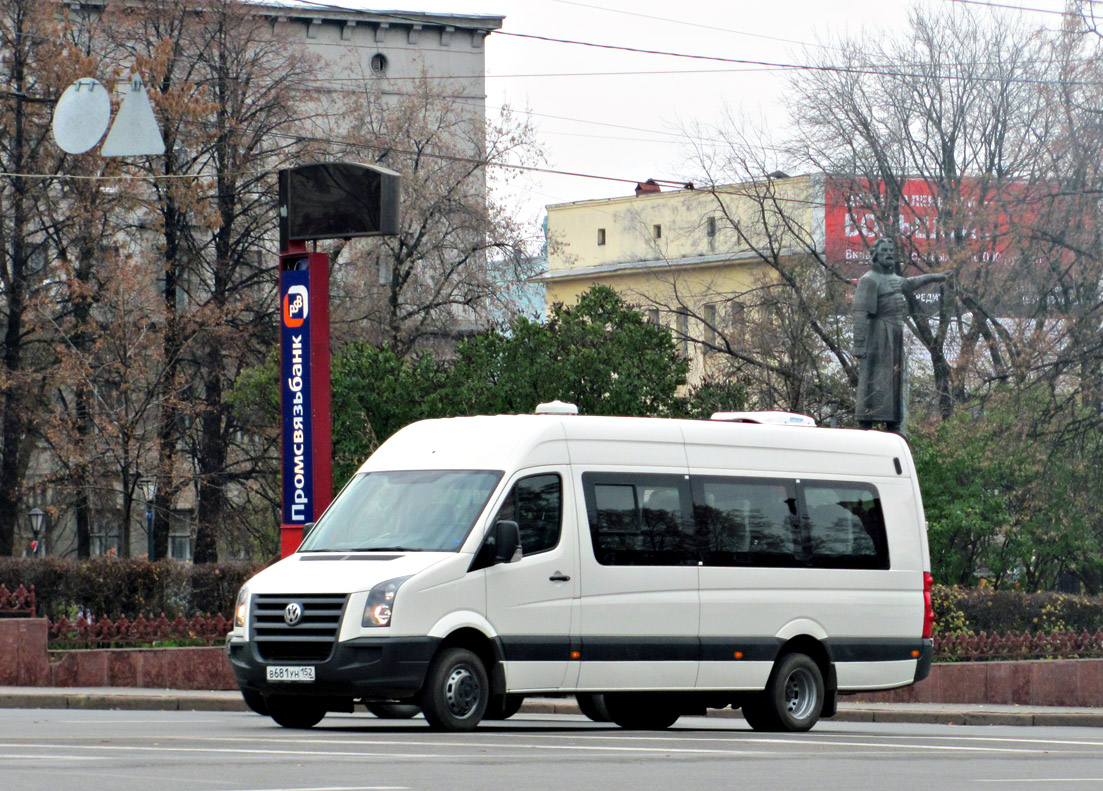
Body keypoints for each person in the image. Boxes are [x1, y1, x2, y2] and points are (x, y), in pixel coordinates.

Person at [853, 239, 948, 434]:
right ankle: (867, 420)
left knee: (894, 383)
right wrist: (859, 345)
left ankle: (894, 423)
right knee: (874, 380)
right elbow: (860, 312)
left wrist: (935, 277)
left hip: (895, 335)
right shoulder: (869, 280)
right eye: (884, 250)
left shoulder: (894, 279)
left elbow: (911, 283)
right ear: (875, 254)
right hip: (878, 336)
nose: (889, 253)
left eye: (891, 250)